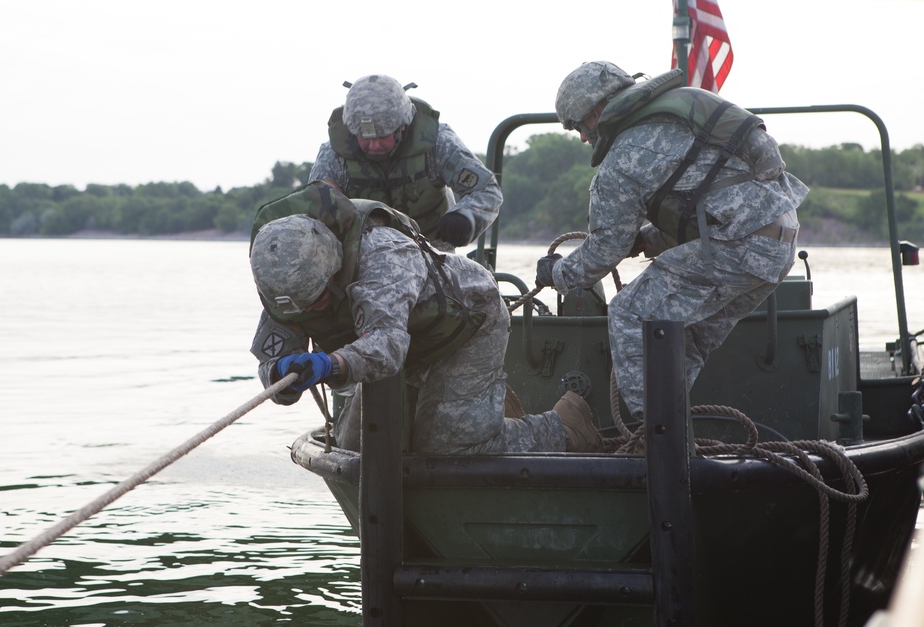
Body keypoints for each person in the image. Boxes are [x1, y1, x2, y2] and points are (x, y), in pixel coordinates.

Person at [539, 61, 808, 419]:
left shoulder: (622, 160)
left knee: (629, 312)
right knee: (686, 336)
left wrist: (557, 274)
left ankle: (650, 436)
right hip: (779, 239)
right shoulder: (675, 119)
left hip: (740, 246)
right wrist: (648, 240)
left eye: (578, 127)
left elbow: (604, 251)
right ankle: (676, 441)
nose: (584, 138)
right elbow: (708, 198)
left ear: (597, 110)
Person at [249, 181, 601, 454]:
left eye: (319, 298)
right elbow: (271, 363)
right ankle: (475, 407)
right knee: (355, 448)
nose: (310, 310)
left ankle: (564, 425)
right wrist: (280, 374)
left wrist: (331, 364)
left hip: (467, 324)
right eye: (299, 305)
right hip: (396, 342)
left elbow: (385, 346)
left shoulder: (383, 254)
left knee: (452, 444)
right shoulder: (286, 280)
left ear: (334, 264)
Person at [307, 74, 502, 251]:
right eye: (365, 137)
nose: (374, 146)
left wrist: (466, 216)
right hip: (363, 251)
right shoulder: (334, 155)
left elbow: (486, 190)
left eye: (383, 136)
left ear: (402, 126)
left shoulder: (438, 144)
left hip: (432, 250)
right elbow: (314, 209)